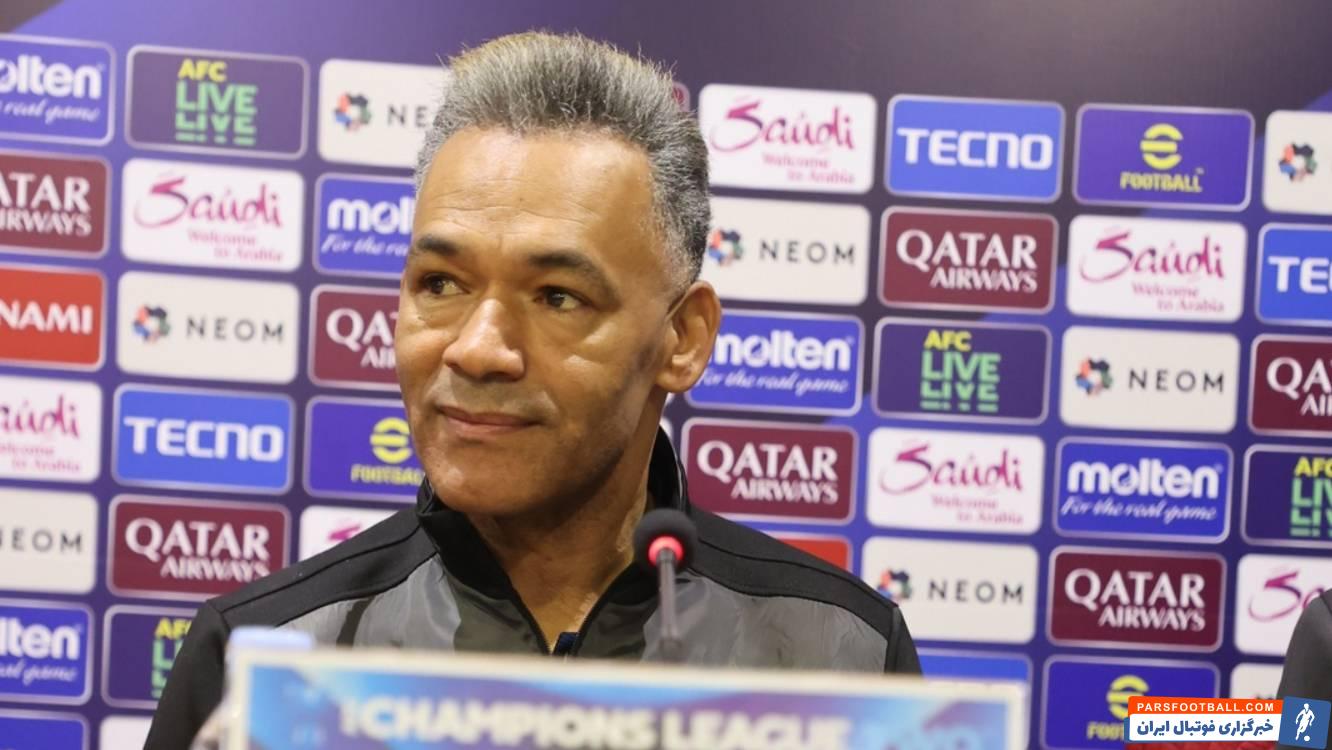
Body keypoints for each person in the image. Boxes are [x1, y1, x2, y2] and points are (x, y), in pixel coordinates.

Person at [145, 31, 919, 749]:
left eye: (557, 297)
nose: (477, 348)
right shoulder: (262, 666)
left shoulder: (841, 653)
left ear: (683, 339)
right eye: (440, 283)